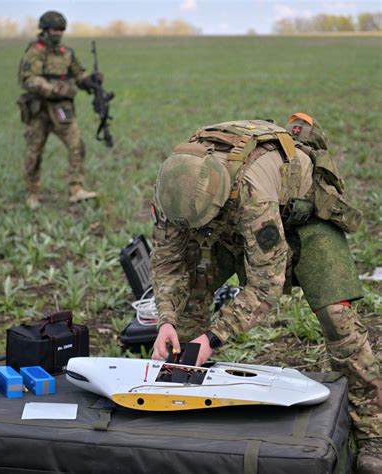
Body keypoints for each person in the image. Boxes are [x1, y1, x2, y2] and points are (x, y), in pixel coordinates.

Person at [149, 114, 381, 473]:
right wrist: (165, 320)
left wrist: (213, 337)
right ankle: (181, 385)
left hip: (305, 217)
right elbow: (168, 264)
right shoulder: (174, 190)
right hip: (224, 221)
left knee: (339, 322)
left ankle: (373, 430)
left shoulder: (252, 195)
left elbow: (265, 286)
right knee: (187, 295)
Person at [17, 11, 99, 209]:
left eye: (61, 30)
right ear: (44, 30)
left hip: (62, 110)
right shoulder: (35, 52)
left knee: (77, 146)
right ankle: (32, 193)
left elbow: (78, 74)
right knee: (34, 153)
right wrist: (54, 89)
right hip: (39, 110)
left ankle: (76, 189)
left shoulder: (66, 53)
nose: (58, 34)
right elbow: (29, 79)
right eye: (54, 29)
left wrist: (90, 80)